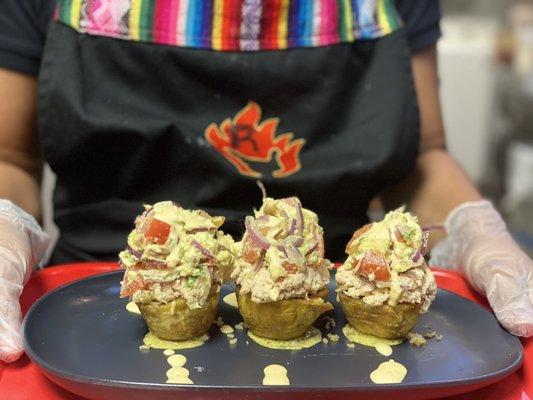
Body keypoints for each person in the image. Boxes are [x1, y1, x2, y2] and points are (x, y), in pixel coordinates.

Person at [0, 0, 531, 363]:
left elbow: (424, 157)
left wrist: (474, 228)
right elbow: (10, 157)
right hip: (94, 294)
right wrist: (6, 228)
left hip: (332, 291)